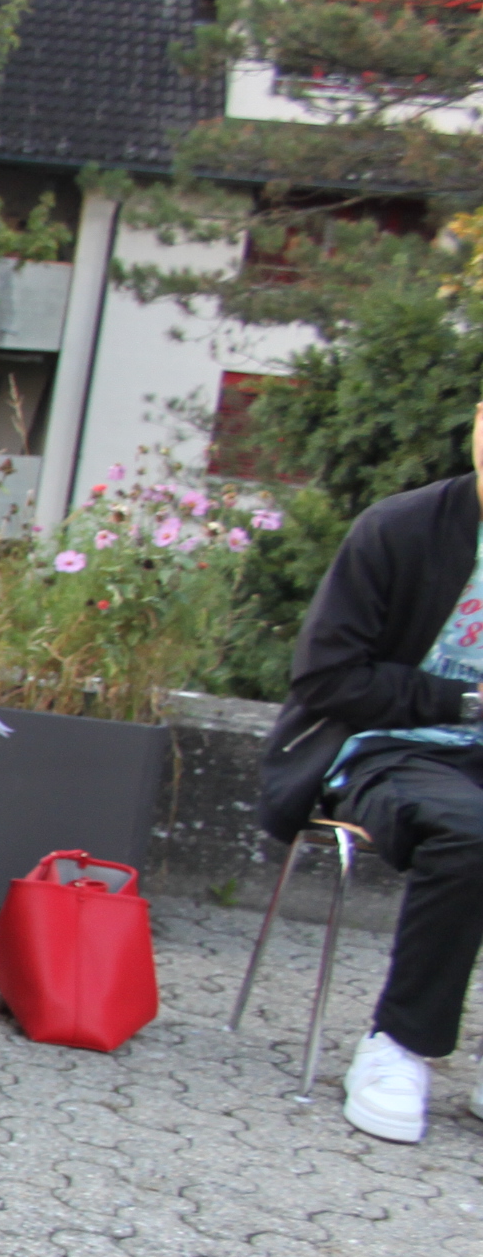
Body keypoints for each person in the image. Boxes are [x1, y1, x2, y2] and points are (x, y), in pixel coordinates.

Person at [256, 408, 483, 1144]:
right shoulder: (401, 529)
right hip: (389, 744)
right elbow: (328, 678)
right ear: (476, 423)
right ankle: (401, 1043)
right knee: (471, 831)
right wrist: (462, 700)